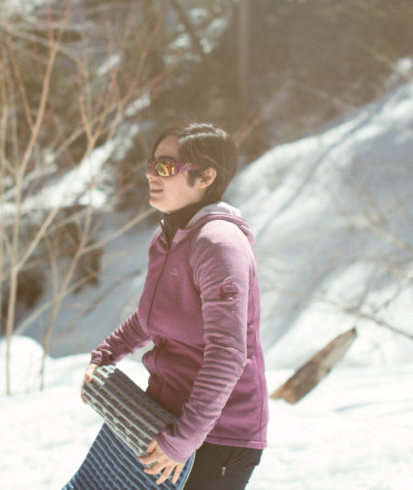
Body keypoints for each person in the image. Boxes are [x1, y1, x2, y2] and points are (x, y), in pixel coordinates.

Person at [82, 122, 268, 489]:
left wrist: (182, 440)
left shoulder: (219, 244)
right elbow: (153, 317)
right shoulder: (168, 235)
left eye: (166, 166)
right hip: (161, 418)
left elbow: (227, 354)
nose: (152, 174)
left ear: (206, 176)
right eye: (151, 164)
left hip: (216, 435)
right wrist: (104, 356)